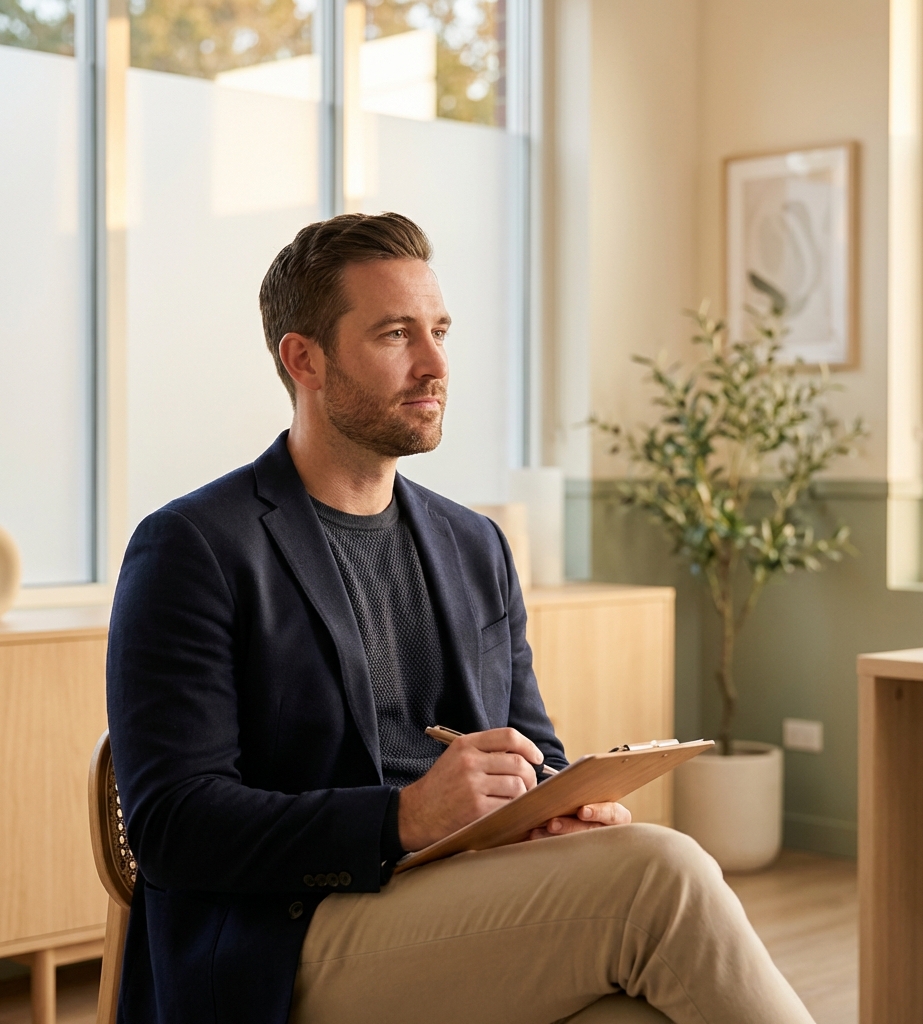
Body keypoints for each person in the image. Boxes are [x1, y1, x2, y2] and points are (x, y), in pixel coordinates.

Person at [106, 212, 815, 1024]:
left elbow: (532, 753)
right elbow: (172, 825)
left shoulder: (474, 543)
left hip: (461, 902)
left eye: (439, 330)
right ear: (303, 359)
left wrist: (563, 810)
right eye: (395, 335)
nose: (435, 364)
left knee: (638, 1011)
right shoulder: (192, 546)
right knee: (661, 874)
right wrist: (403, 818)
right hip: (284, 941)